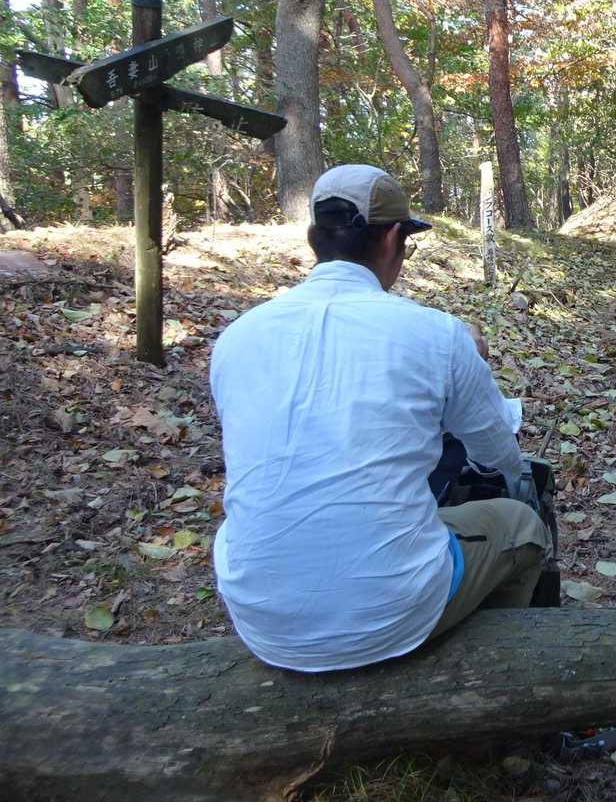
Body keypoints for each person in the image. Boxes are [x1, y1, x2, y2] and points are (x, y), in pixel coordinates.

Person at [209, 164, 550, 672]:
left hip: (261, 617)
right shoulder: (439, 335)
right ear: (392, 239)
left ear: (315, 237)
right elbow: (498, 455)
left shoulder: (237, 337)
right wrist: (471, 366)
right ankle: (492, 673)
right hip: (389, 611)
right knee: (522, 524)